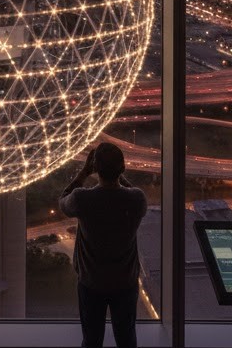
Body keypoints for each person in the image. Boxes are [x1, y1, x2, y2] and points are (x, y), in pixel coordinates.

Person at [60, 142, 148, 348]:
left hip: (91, 282)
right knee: (127, 339)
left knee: (91, 340)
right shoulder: (136, 199)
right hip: (125, 282)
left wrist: (83, 173)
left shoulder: (83, 199)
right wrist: (118, 175)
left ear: (96, 169)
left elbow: (63, 200)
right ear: (123, 168)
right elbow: (131, 189)